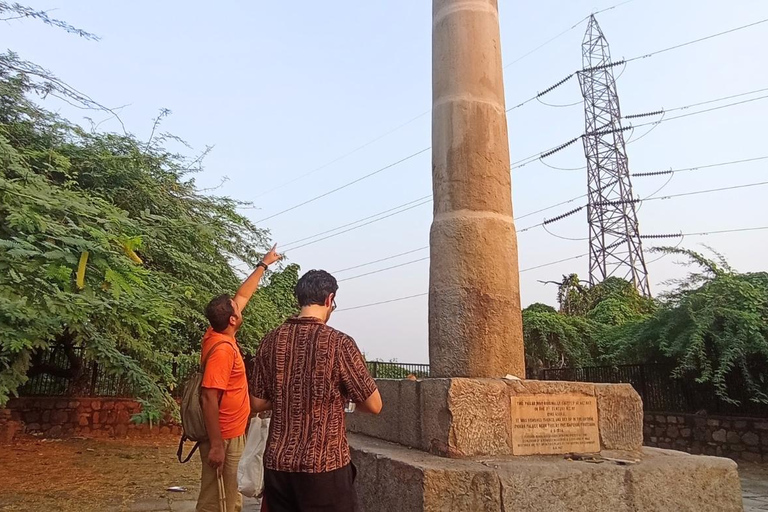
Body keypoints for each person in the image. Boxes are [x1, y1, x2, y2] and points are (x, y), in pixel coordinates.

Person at [249, 270, 382, 512]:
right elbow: (374, 405)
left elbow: (256, 404)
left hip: (278, 464)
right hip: (325, 464)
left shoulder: (270, 341)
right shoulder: (339, 343)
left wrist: (285, 394)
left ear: (299, 299)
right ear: (330, 300)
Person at [196, 245, 282, 512]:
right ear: (233, 319)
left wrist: (263, 265)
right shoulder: (222, 350)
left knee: (229, 496)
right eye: (236, 307)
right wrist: (218, 446)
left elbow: (243, 294)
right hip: (224, 435)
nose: (239, 303)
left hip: (230, 432)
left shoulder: (216, 333)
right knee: (220, 500)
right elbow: (209, 398)